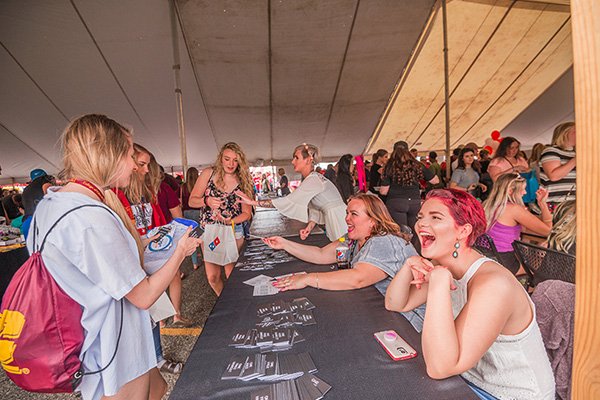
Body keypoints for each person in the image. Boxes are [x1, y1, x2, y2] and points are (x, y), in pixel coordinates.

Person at [27, 114, 200, 400]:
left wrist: (141, 242)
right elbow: (143, 296)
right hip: (112, 347)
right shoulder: (91, 217)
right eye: (129, 155)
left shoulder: (52, 204)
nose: (134, 165)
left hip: (90, 338)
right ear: (106, 154)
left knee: (158, 388)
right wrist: (180, 250)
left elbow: (89, 265)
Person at [385, 189, 555, 399]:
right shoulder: (444, 265)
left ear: (463, 231)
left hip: (509, 395)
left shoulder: (493, 284)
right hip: (467, 383)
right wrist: (408, 266)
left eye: (435, 217)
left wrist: (438, 285)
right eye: (420, 217)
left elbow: (440, 367)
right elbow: (396, 303)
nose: (420, 224)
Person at [236, 143, 347, 242]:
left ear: (308, 160)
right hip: (335, 217)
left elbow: (288, 201)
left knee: (342, 249)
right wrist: (308, 228)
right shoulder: (312, 178)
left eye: (296, 157)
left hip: (338, 218)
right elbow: (315, 207)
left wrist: (252, 202)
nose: (292, 161)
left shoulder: (313, 180)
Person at [189, 142, 254, 296]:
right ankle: (224, 300)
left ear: (240, 162)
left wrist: (229, 221)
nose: (231, 164)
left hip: (233, 230)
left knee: (231, 273)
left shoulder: (243, 180)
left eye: (235, 160)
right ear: (220, 158)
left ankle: (234, 303)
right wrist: (207, 201)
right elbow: (192, 201)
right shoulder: (208, 173)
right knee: (212, 277)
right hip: (209, 230)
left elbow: (247, 213)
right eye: (227, 159)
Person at [482, 173, 552, 274]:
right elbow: (548, 231)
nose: (524, 192)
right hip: (505, 263)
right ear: (510, 191)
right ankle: (532, 286)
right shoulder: (514, 209)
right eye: (522, 189)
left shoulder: (487, 204)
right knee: (545, 246)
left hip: (487, 257)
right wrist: (542, 203)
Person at [379, 145, 439, 247]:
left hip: (396, 202)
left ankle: (403, 257)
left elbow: (384, 191)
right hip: (414, 202)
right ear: (408, 151)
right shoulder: (417, 165)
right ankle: (415, 255)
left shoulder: (389, 166)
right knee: (415, 233)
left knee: (400, 233)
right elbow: (435, 180)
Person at [540, 122, 576, 207]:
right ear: (564, 134)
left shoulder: (574, 153)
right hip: (556, 203)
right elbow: (554, 176)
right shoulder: (551, 151)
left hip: (573, 202)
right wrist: (575, 160)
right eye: (576, 131)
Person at [20, 169, 55, 238]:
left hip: (27, 222)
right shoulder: (44, 181)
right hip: (41, 221)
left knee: (33, 248)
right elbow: (50, 196)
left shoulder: (26, 189)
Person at [181, 167, 202, 269]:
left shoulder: (183, 186)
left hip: (187, 213)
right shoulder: (200, 186)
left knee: (191, 237)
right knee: (202, 235)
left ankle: (194, 263)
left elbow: (180, 202)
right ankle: (206, 258)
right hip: (199, 212)